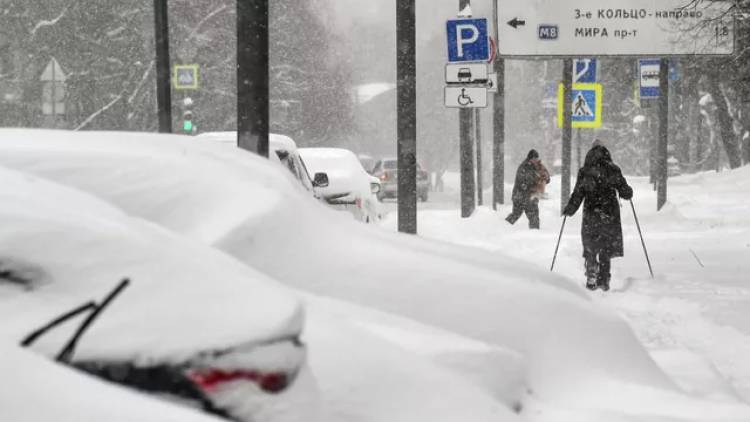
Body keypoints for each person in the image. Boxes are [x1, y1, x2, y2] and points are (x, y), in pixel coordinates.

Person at [563, 143, 633, 291]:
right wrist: (627, 191)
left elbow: (578, 194)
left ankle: (591, 272)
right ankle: (603, 279)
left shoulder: (585, 171)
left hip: (591, 213)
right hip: (609, 214)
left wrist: (570, 209)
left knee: (591, 245)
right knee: (606, 247)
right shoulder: (613, 169)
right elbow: (625, 192)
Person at [506, 149, 550, 229]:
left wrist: (545, 177)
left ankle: (534, 234)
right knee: (516, 214)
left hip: (532, 196)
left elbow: (547, 178)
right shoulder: (523, 167)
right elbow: (523, 183)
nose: (535, 160)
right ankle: (503, 227)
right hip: (520, 196)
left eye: (536, 158)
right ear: (530, 158)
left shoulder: (540, 166)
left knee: (534, 217)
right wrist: (536, 181)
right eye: (534, 159)